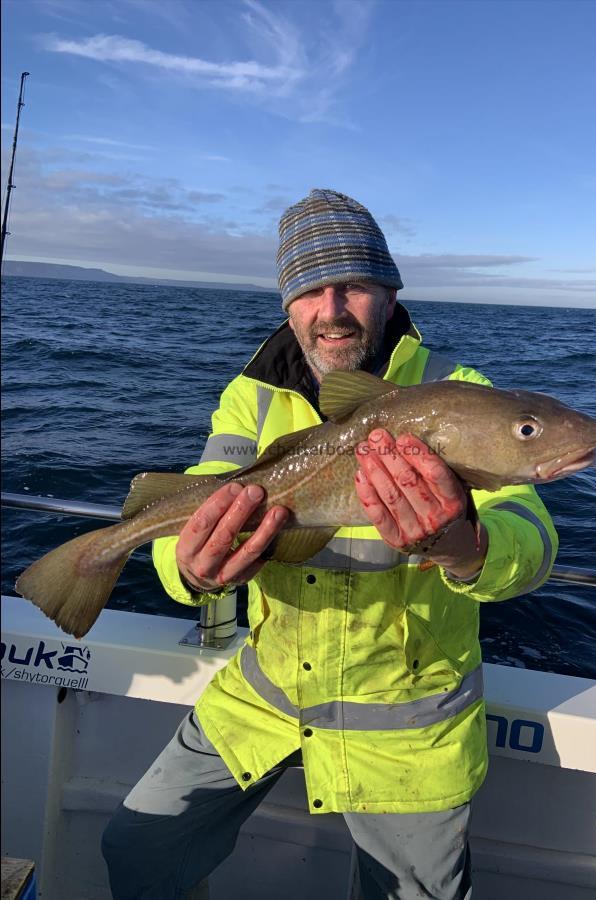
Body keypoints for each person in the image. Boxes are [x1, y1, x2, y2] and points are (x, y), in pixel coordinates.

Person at [102, 189, 558, 899]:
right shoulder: (247, 399)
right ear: (287, 304)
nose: (332, 307)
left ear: (389, 292)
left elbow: (530, 536)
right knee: (138, 846)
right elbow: (199, 498)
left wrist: (465, 548)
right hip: (266, 693)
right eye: (310, 288)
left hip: (407, 727)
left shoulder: (462, 394)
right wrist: (189, 566)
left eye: (353, 284)